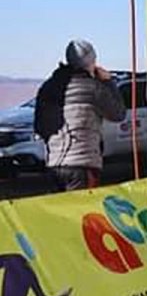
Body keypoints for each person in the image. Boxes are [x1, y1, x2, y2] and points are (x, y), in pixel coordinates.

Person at [38, 40, 125, 191]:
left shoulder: (48, 87)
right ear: (91, 62)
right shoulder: (94, 88)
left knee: (60, 206)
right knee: (81, 206)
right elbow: (118, 113)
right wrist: (108, 82)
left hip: (54, 164)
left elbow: (39, 126)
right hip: (83, 165)